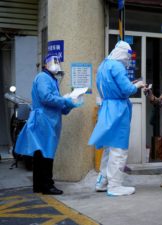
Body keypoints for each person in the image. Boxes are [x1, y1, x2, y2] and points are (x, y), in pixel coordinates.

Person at [15, 54, 78, 195]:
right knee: (46, 154)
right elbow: (46, 98)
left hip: (48, 120)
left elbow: (54, 102)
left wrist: (68, 105)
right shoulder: (43, 78)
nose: (56, 64)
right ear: (45, 64)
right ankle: (48, 186)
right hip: (44, 120)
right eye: (53, 62)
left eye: (58, 61)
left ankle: (39, 185)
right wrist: (65, 101)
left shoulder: (50, 79)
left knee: (41, 154)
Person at [88, 40, 145, 196]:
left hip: (107, 107)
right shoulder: (118, 66)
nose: (129, 60)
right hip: (119, 110)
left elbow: (111, 86)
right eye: (129, 56)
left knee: (109, 148)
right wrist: (138, 85)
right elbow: (127, 89)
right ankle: (115, 186)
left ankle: (102, 181)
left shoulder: (103, 65)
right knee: (119, 149)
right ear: (123, 54)